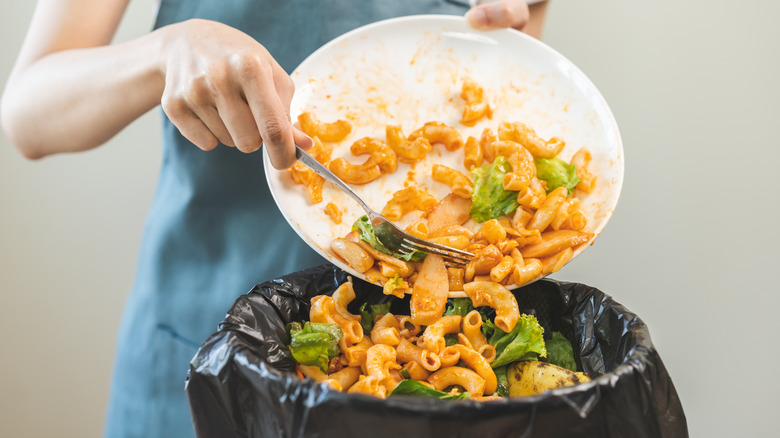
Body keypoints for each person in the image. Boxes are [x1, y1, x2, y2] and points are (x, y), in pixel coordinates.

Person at [1, 0, 548, 436]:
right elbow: (29, 114)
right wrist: (167, 51)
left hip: (412, 363)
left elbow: (512, 99)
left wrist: (513, 34)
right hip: (202, 341)